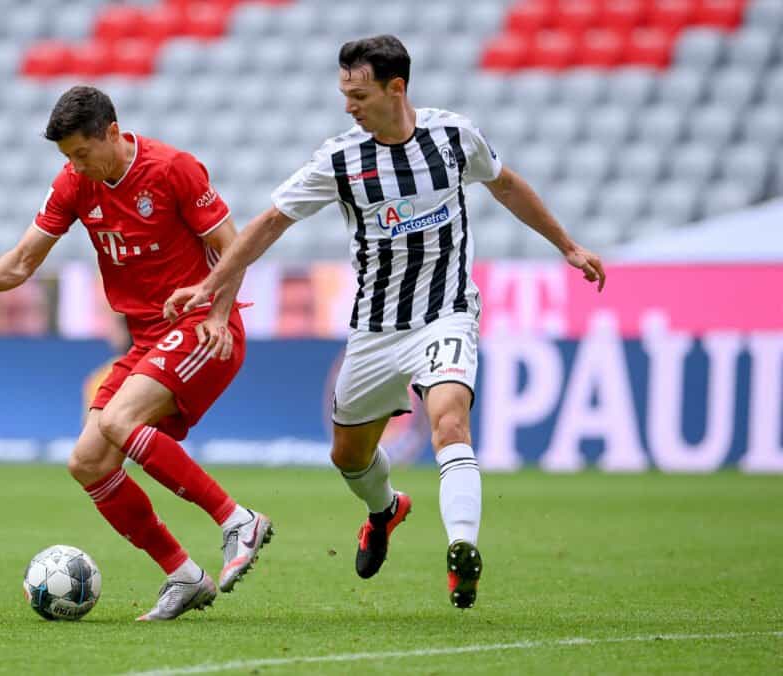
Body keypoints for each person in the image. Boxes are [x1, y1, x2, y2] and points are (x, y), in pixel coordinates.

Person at [166, 35, 606, 610]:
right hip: (375, 330)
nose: (349, 105)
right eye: (345, 93)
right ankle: (384, 510)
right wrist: (212, 283)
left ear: (396, 88)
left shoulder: (453, 137)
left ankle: (462, 550)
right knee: (348, 456)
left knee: (450, 422)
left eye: (359, 94)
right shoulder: (341, 159)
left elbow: (506, 185)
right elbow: (272, 221)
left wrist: (567, 245)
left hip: (445, 313)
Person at [0, 86, 272, 621]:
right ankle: (183, 575)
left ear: (111, 132)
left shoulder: (173, 169)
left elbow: (232, 246)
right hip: (147, 339)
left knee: (118, 420)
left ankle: (237, 519)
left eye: (82, 153)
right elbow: (27, 258)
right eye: (67, 159)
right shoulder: (76, 184)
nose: (76, 167)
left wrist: (218, 313)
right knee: (86, 461)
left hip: (201, 325)